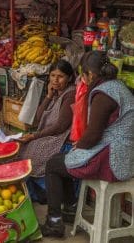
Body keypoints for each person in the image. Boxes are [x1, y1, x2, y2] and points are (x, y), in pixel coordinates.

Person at [41, 51, 134, 238]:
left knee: (53, 165)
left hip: (113, 159)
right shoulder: (118, 86)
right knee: (62, 161)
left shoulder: (104, 94)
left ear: (90, 75)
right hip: (125, 155)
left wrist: (79, 145)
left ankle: (54, 222)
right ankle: (70, 208)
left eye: (83, 75)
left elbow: (93, 135)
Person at [17, 60, 76, 202]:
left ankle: (45, 193)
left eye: (60, 76)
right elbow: (38, 118)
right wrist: (48, 96)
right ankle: (31, 191)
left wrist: (34, 136)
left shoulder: (70, 94)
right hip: (50, 134)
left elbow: (61, 126)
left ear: (69, 78)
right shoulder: (56, 93)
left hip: (61, 137)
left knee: (35, 155)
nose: (55, 80)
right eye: (52, 75)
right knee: (23, 149)